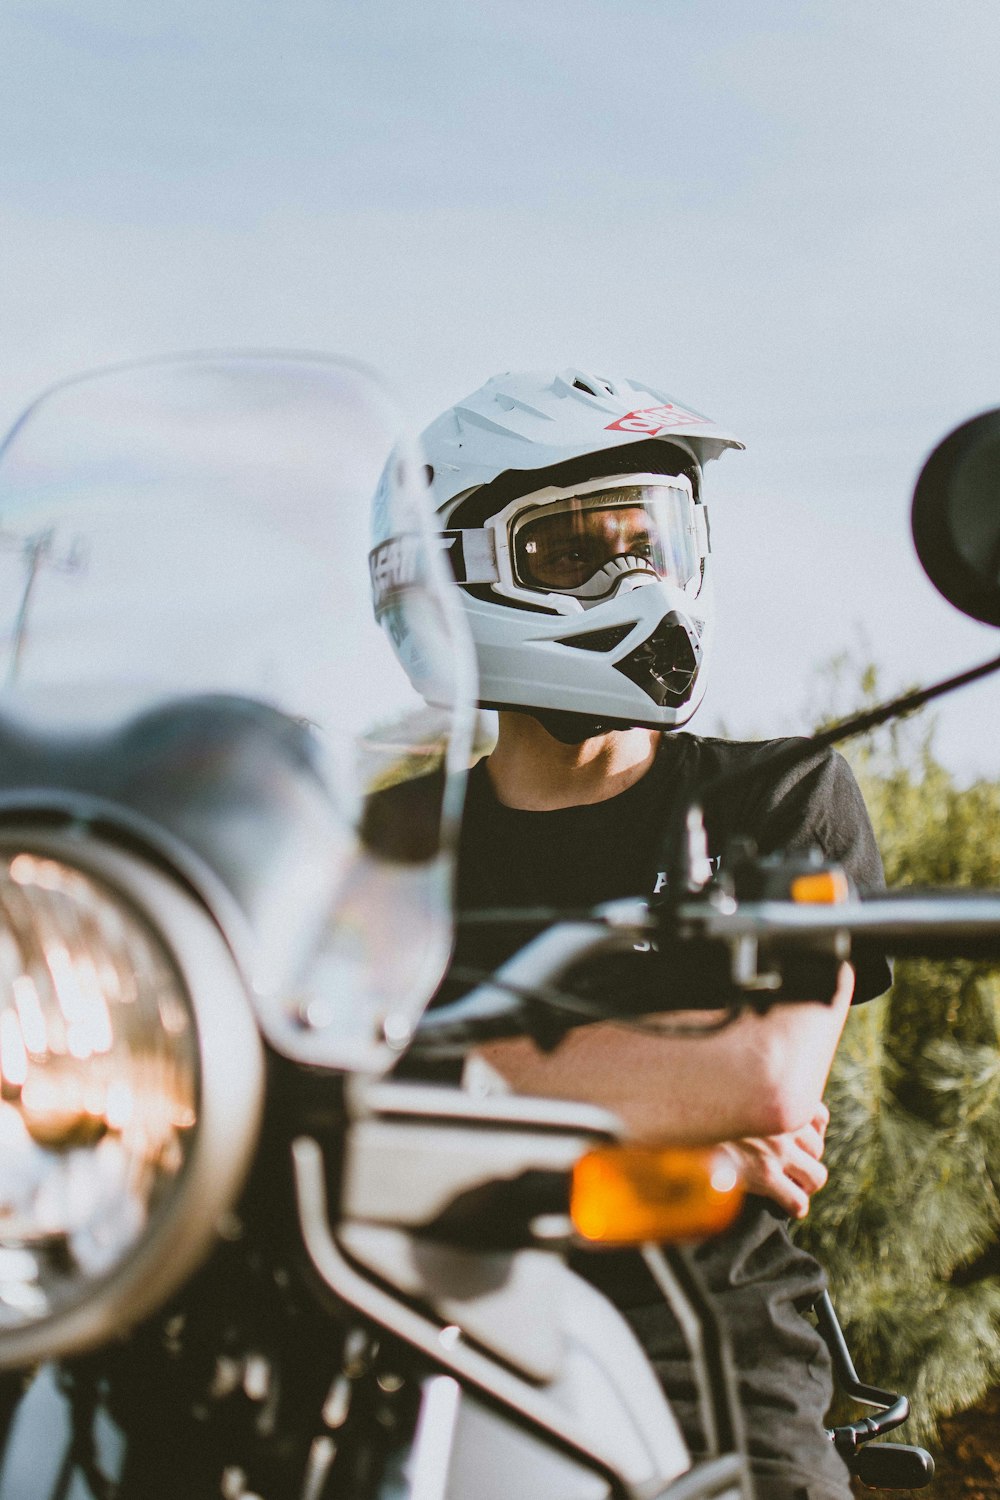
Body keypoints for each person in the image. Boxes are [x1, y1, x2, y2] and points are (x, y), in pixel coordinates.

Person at [387, 369, 892, 1500]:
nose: (633, 582)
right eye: (570, 552)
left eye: (649, 543)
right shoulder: (388, 841)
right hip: (400, 1309)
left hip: (695, 1326)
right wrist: (663, 1109)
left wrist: (416, 1065)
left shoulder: (783, 798)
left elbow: (760, 1077)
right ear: (457, 571)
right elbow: (252, 1072)